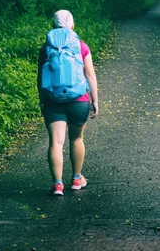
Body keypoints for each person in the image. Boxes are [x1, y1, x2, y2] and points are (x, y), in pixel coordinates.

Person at [37, 10, 99, 195]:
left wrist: (42, 100)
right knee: (76, 138)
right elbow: (90, 74)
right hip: (78, 100)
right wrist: (95, 100)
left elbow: (40, 78)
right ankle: (76, 178)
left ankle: (57, 184)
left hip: (53, 100)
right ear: (72, 25)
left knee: (56, 143)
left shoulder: (45, 49)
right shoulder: (81, 46)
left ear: (53, 26)